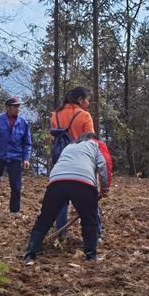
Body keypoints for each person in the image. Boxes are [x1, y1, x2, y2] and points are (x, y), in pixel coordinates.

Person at [24, 132, 111, 264]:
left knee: (46, 217)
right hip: (83, 181)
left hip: (56, 180)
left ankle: (30, 253)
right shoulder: (97, 144)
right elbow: (105, 164)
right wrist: (105, 187)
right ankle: (91, 256)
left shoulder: (69, 146)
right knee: (89, 218)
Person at [50, 87, 95, 237]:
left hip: (60, 159)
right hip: (80, 161)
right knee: (87, 197)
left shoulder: (55, 115)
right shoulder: (84, 116)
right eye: (87, 99)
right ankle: (94, 232)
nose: (89, 103)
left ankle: (61, 231)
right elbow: (90, 141)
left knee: (60, 196)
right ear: (80, 100)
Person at [0, 97, 32, 215]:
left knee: (16, 185)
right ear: (8, 107)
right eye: (15, 106)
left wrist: (26, 158)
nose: (17, 109)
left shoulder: (23, 122)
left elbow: (27, 143)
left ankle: (14, 211)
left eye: (18, 106)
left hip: (15, 157)